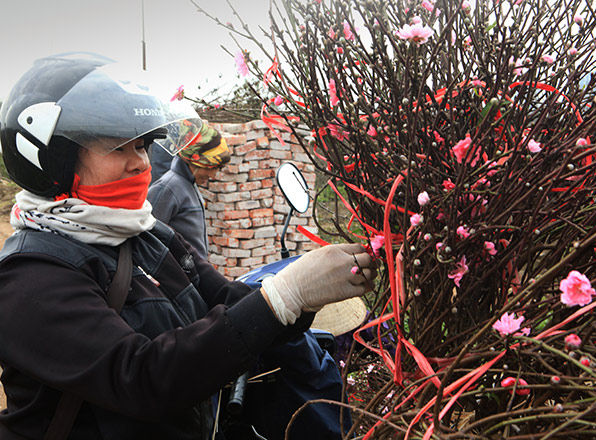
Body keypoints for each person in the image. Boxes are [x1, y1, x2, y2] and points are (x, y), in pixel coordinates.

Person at [0, 53, 377, 440]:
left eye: (143, 146)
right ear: (55, 160)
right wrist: (285, 296)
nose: (140, 164)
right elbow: (141, 378)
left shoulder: (147, 234)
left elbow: (226, 298)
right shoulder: (29, 278)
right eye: (120, 148)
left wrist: (302, 298)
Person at [148, 120, 229, 257]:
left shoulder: (189, 185)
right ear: (195, 161)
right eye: (211, 168)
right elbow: (148, 239)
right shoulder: (167, 188)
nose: (213, 175)